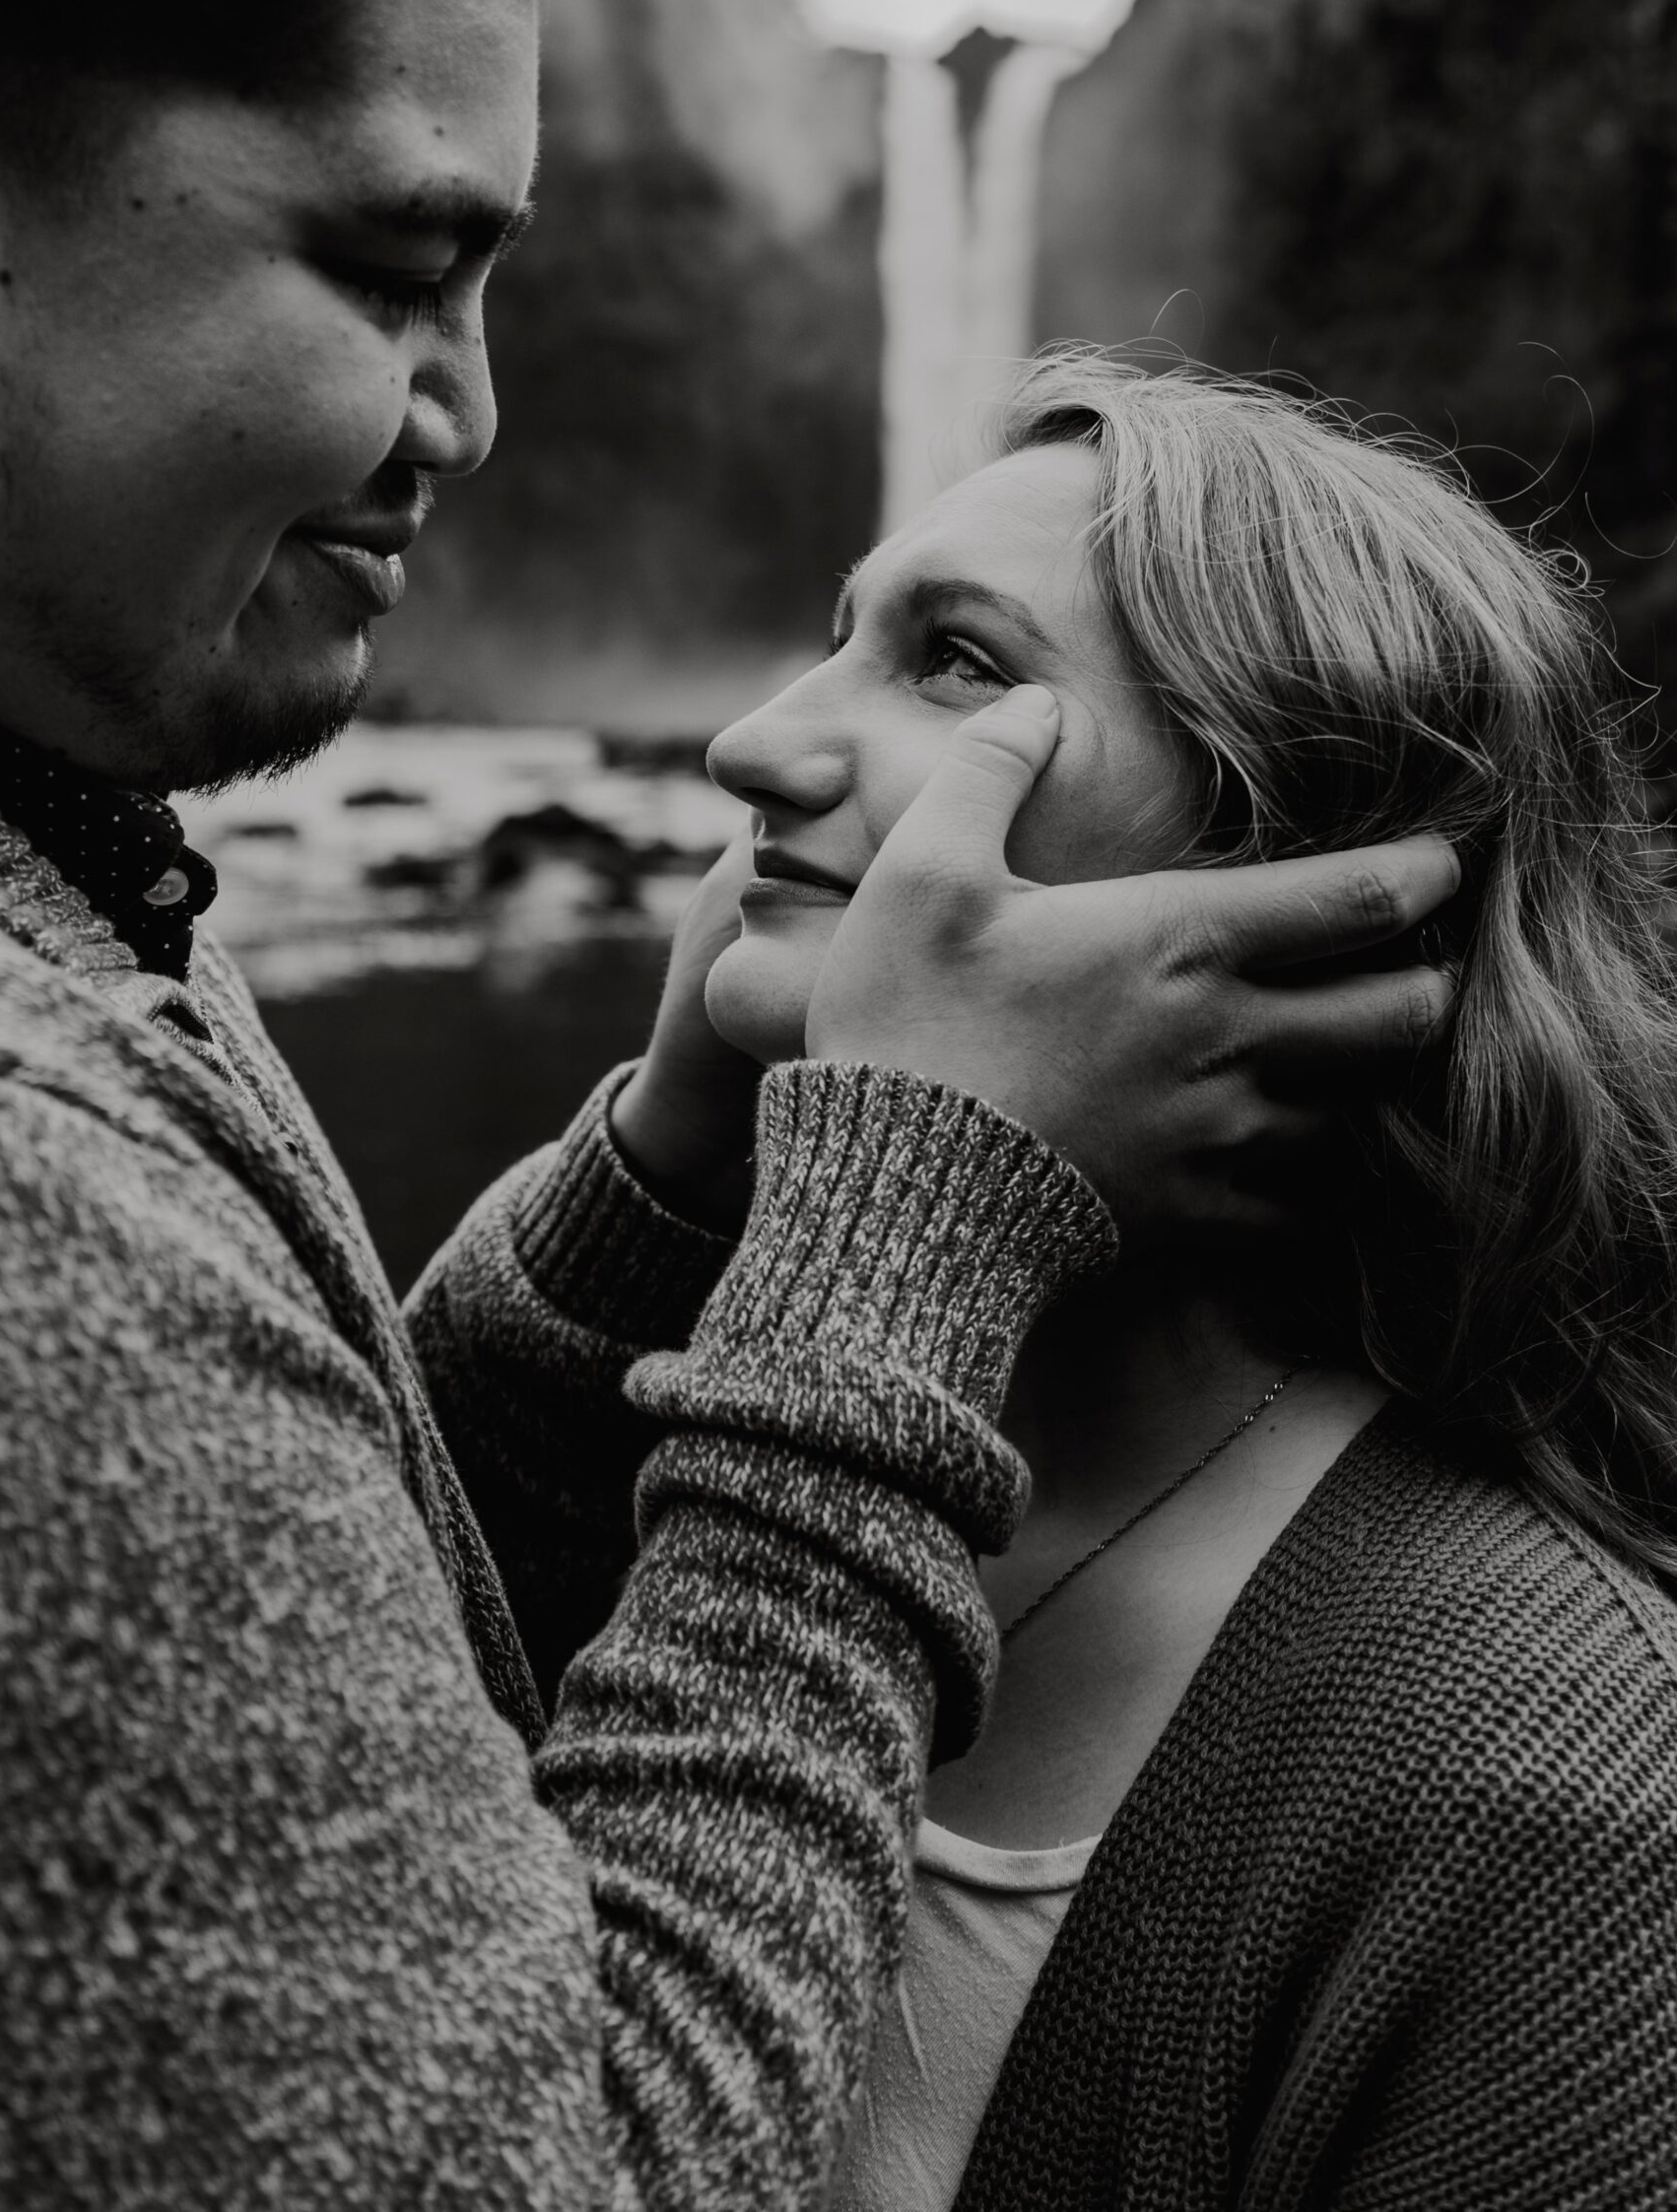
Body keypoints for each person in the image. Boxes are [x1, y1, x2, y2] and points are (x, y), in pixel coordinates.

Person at [0, 0, 1462, 2205]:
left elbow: (283, 1664)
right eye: (390, 263)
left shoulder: (68, 857)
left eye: (961, 667)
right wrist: (896, 1232)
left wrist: (674, 1175)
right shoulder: (43, 1215)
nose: (463, 407)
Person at [680, 349, 1677, 2211]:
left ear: (1283, 870)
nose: (752, 741)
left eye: (956, 665)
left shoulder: (1560, 1798)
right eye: (835, 635)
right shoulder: (694, 1452)